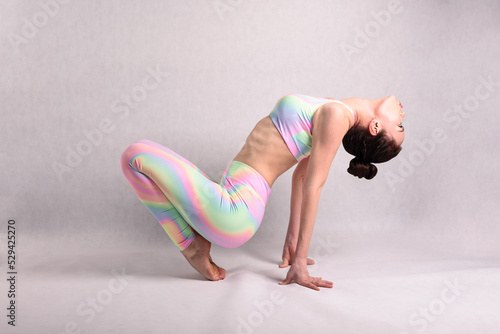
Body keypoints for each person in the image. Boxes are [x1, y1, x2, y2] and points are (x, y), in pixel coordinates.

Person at [120, 94, 405, 291]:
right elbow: (300, 176)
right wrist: (293, 244)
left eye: (400, 126)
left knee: (134, 155)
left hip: (236, 211)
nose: (403, 115)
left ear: (376, 126)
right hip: (230, 195)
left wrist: (300, 264)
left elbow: (312, 185)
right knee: (137, 156)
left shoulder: (336, 114)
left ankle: (190, 245)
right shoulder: (335, 107)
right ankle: (195, 246)